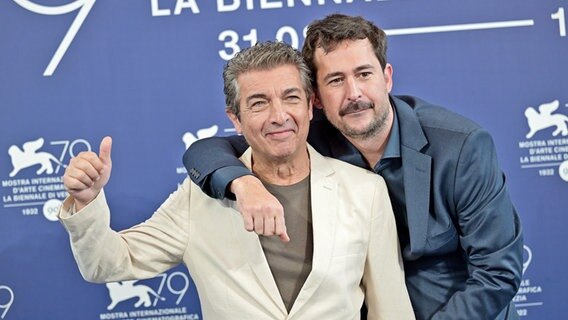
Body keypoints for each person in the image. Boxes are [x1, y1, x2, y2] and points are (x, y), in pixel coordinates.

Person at [183, 14, 524, 320]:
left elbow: (497, 274)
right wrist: (244, 183)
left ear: (386, 78)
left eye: (364, 74)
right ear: (315, 97)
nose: (354, 93)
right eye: (335, 80)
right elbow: (207, 150)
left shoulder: (461, 146)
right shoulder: (305, 137)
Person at [58, 41, 415, 319]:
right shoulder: (197, 199)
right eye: (258, 103)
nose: (279, 116)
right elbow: (106, 262)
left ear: (309, 106)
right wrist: (87, 202)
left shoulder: (365, 191)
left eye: (290, 98)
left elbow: (392, 308)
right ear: (235, 119)